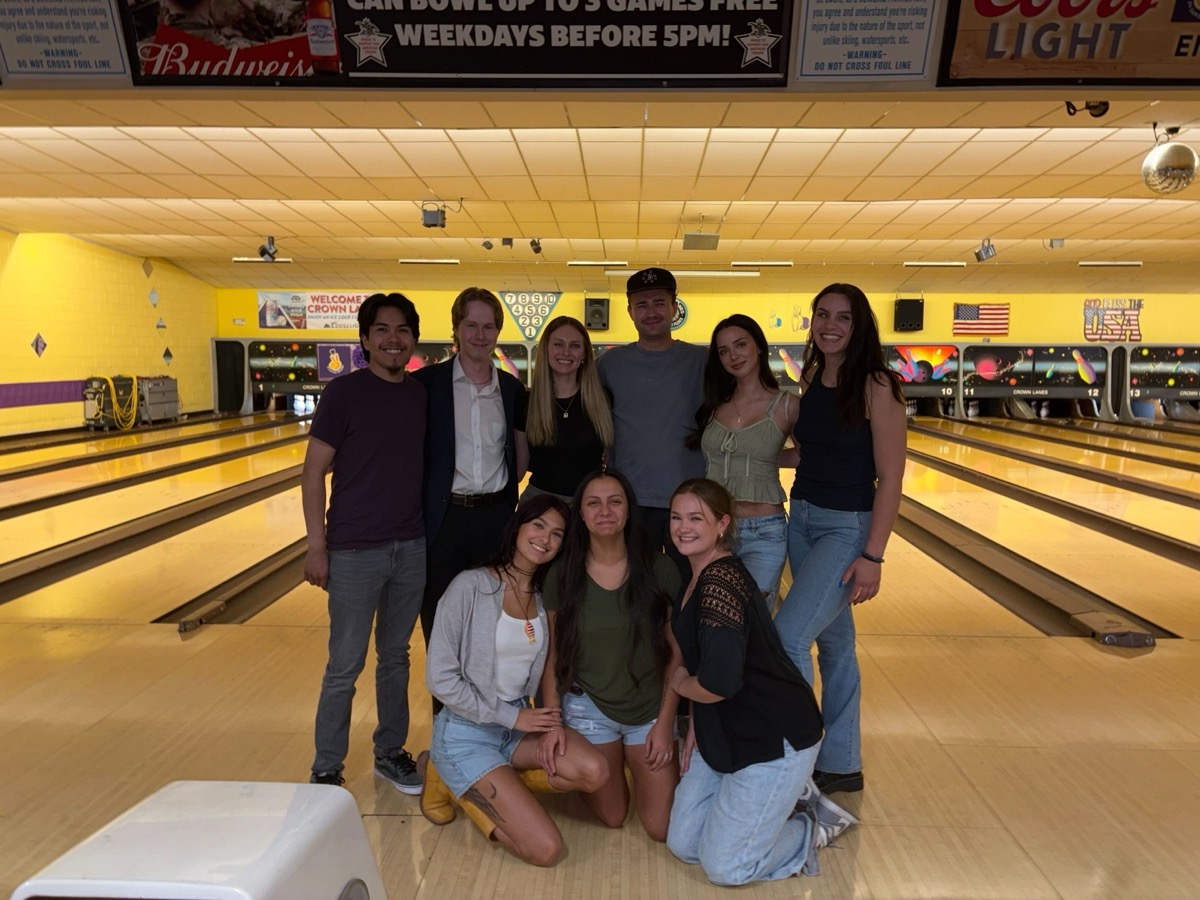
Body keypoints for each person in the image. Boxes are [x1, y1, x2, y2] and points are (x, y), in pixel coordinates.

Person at [664, 479, 857, 886]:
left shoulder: (719, 586)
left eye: (696, 518)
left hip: (775, 736)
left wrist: (681, 684)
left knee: (726, 868)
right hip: (728, 728)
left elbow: (715, 682)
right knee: (684, 844)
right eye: (676, 517)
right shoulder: (698, 576)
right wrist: (698, 721)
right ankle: (765, 811)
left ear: (722, 524)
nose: (683, 527)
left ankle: (810, 823)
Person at [421, 495, 609, 866]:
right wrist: (512, 718)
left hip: (517, 730)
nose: (545, 538)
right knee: (546, 851)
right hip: (466, 734)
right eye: (538, 525)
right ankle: (457, 784)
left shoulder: (542, 598)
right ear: (518, 527)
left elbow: (551, 667)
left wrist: (550, 724)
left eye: (557, 533)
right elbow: (439, 679)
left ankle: (489, 785)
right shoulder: (469, 587)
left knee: (595, 771)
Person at [774, 283, 907, 796]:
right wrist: (751, 458)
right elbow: (812, 454)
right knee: (836, 646)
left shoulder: (879, 386)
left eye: (843, 318)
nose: (829, 325)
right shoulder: (810, 377)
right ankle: (842, 762)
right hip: (802, 518)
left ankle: (797, 755)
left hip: (845, 527)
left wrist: (873, 555)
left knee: (789, 638)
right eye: (822, 315)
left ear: (860, 326)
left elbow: (891, 477)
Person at [301, 292, 427, 791]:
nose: (393, 339)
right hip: (354, 550)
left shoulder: (419, 394)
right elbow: (313, 474)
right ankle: (327, 766)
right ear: (365, 339)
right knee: (345, 664)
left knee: (396, 656)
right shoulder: (342, 394)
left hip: (411, 546)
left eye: (402, 330)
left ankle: (389, 751)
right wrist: (317, 546)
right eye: (382, 330)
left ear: (413, 338)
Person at [540, 469, 682, 841]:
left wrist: (666, 723)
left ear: (629, 511)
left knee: (659, 828)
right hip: (589, 708)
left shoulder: (659, 567)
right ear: (582, 515)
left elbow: (676, 655)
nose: (605, 510)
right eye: (593, 503)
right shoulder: (562, 574)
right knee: (614, 816)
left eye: (615, 501)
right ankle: (592, 764)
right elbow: (552, 656)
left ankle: (637, 761)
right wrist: (555, 725)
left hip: (649, 709)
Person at [412, 287, 529, 661]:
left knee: (494, 628)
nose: (480, 335)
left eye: (489, 327)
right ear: (456, 329)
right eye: (471, 325)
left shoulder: (511, 390)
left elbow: (519, 456)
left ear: (498, 332)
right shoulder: (426, 385)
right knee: (441, 625)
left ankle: (492, 716)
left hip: (495, 521)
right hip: (443, 521)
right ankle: (445, 719)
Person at [597, 267, 707, 582]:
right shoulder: (609, 365)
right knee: (634, 587)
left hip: (689, 500)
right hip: (630, 501)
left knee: (687, 588)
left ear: (675, 307)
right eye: (641, 305)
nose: (651, 312)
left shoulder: (703, 362)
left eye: (659, 302)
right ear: (630, 311)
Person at [687, 314, 797, 607]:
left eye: (740, 345)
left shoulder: (787, 405)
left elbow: (806, 456)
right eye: (723, 351)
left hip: (764, 531)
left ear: (758, 346)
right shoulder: (714, 404)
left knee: (752, 622)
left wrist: (765, 459)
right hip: (716, 529)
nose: (733, 356)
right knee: (714, 617)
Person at [523, 316, 613, 504]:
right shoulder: (527, 402)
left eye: (574, 346)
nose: (566, 352)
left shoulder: (603, 400)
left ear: (584, 354)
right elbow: (518, 468)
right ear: (546, 350)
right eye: (558, 344)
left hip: (589, 505)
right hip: (539, 504)